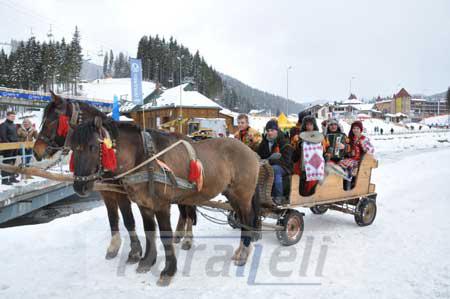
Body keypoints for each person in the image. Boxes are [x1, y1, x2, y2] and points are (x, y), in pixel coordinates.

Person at [257, 119, 293, 205]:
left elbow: (286, 160)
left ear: (277, 130)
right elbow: (260, 154)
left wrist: (269, 161)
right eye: (268, 130)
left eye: (272, 130)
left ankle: (279, 196)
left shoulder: (284, 141)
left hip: (285, 167)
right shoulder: (265, 141)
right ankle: (258, 194)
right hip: (267, 164)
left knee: (275, 169)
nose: (269, 133)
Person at [292, 116, 324, 196]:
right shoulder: (300, 136)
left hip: (315, 163)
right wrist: (298, 144)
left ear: (314, 125)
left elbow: (324, 148)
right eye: (307, 125)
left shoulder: (319, 136)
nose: (309, 126)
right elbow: (295, 150)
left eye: (311, 124)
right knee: (299, 178)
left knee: (313, 181)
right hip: (302, 162)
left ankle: (310, 194)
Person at [339, 121, 374, 190]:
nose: (355, 130)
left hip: (359, 160)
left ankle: (348, 187)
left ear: (361, 129)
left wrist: (363, 146)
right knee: (340, 164)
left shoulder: (363, 139)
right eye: (354, 128)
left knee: (348, 166)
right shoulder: (352, 138)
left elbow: (371, 150)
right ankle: (343, 184)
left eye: (357, 128)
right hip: (352, 159)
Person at [0, 111, 19, 185]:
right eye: (11, 116)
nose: (13, 117)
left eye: (14, 116)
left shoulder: (14, 125)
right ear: (7, 116)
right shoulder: (4, 125)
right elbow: (3, 136)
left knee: (13, 163)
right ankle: (4, 180)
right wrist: (9, 145)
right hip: (8, 147)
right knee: (7, 163)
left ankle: (12, 177)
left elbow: (15, 136)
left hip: (15, 146)